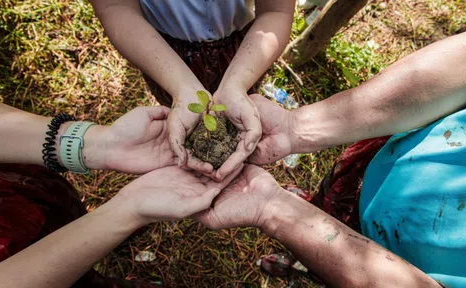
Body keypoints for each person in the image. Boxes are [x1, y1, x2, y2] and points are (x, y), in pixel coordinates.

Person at [197, 32, 466, 287]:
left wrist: (276, 210)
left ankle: (309, 259)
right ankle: (306, 238)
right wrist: (295, 127)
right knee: (331, 199)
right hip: (385, 164)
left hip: (388, 266)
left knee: (322, 260)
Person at [0, 98, 241, 287]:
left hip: (7, 194)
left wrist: (101, 143)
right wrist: (126, 212)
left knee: (59, 213)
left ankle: (101, 243)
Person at [90, 0, 295, 180]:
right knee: (174, 107)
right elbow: (115, 7)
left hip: (245, 50)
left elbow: (276, 11)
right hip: (161, 52)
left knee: (240, 108)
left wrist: (237, 84)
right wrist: (181, 89)